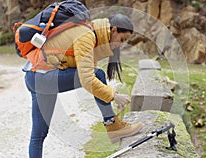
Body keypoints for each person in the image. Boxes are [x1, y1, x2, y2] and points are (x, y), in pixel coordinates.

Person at [23, 13, 143, 157]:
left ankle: (113, 126)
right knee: (97, 75)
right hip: (42, 76)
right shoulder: (86, 35)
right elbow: (87, 79)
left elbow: (86, 71)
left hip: (34, 75)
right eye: (122, 39)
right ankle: (112, 125)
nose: (121, 44)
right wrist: (114, 96)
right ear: (113, 30)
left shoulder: (91, 36)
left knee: (39, 133)